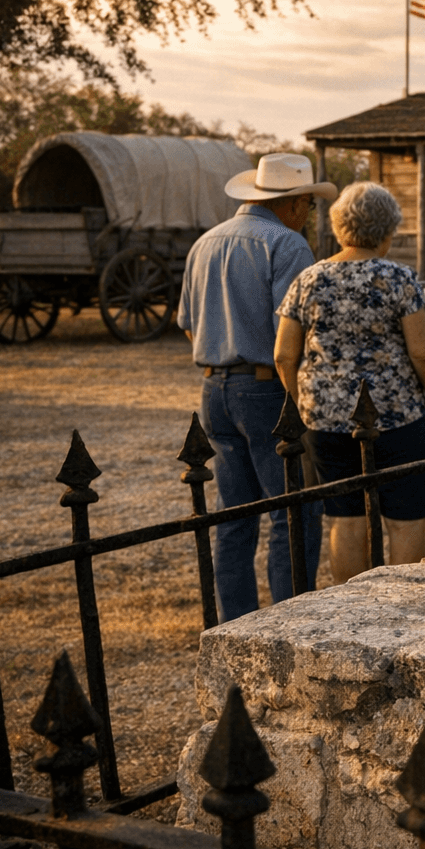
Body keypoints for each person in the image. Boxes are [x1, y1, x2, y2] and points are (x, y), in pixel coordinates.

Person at [176, 152, 337, 621]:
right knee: (294, 510)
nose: (308, 214)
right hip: (267, 387)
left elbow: (187, 323)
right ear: (290, 203)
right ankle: (288, 621)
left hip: (215, 387)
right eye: (307, 204)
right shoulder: (287, 245)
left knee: (233, 516)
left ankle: (236, 621)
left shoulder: (204, 243)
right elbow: (293, 335)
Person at [273, 182, 425, 584]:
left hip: (326, 417)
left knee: (344, 519)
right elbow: (421, 352)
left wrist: (303, 402)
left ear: (338, 227)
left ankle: (351, 604)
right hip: (397, 414)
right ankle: (404, 600)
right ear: (387, 230)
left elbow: (283, 354)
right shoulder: (398, 277)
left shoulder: (309, 279)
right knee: (405, 519)